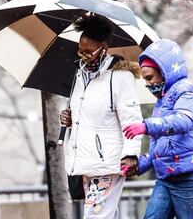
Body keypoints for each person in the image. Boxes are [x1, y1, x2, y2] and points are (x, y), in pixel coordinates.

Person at [122, 39, 193, 219]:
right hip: (168, 177)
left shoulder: (186, 91)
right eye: (145, 80)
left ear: (165, 72)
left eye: (150, 78)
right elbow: (160, 147)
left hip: (192, 176)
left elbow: (184, 121)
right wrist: (137, 166)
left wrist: (146, 126)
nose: (148, 84)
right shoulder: (161, 102)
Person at [60, 14, 143, 218]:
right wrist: (71, 120)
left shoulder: (120, 77)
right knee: (104, 214)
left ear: (103, 48)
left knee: (96, 215)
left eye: (88, 51)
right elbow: (90, 115)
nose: (83, 56)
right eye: (80, 51)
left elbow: (132, 119)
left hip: (107, 163)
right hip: (85, 162)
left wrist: (131, 154)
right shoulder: (80, 76)